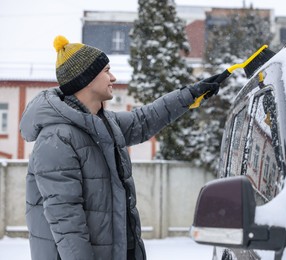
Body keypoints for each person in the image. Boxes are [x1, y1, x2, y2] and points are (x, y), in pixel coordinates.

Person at [19, 35, 220, 260]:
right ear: (86, 79)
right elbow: (66, 222)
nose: (113, 77)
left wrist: (190, 94)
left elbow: (144, 120)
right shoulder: (56, 139)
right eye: (106, 71)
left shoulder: (104, 124)